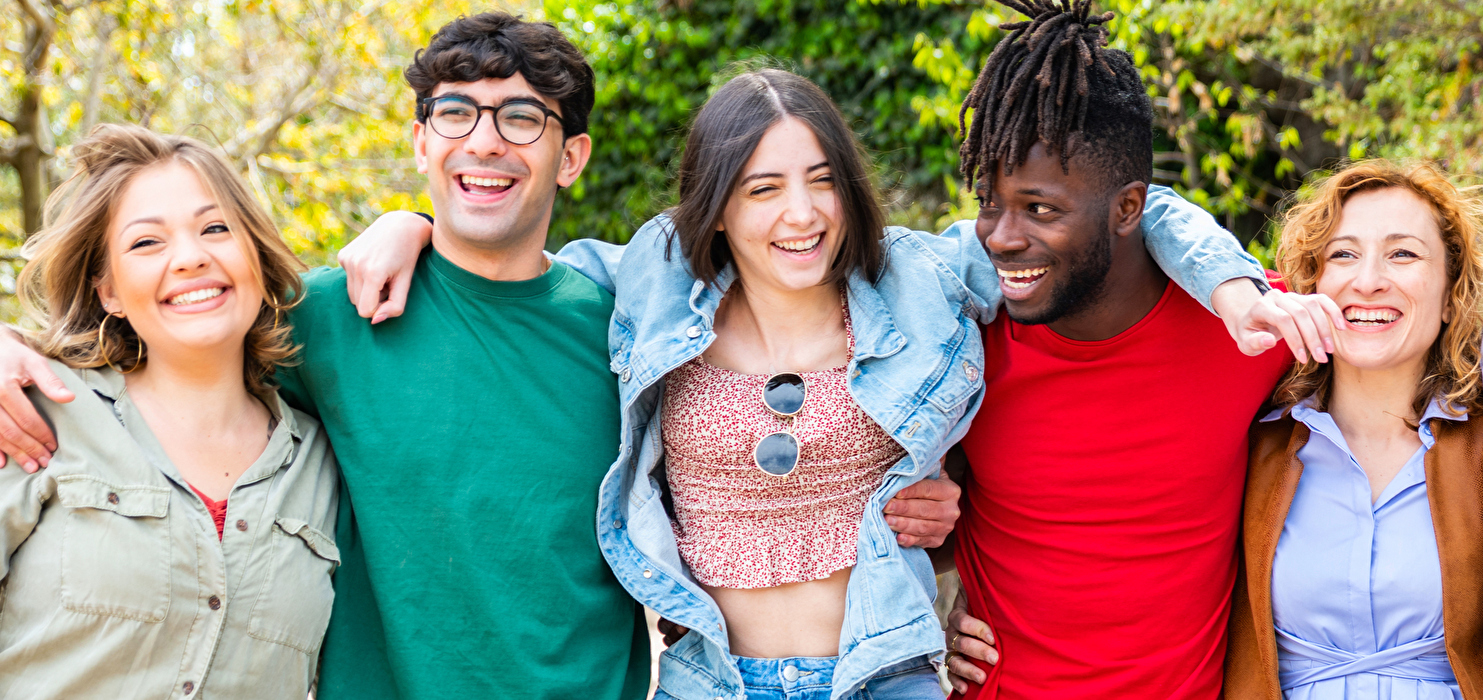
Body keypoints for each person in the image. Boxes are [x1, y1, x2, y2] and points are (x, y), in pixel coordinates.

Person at [0, 14, 959, 700]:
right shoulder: (339, 311)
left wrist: (923, 495)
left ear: (571, 157)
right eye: (456, 113)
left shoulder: (634, 322)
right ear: (421, 141)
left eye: (522, 118)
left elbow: (779, 389)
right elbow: (170, 341)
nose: (485, 141)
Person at [339, 62, 1279, 697]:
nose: (802, 213)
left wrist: (1234, 288)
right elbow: (507, 266)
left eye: (820, 179)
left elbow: (1130, 210)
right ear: (716, 206)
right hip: (710, 677)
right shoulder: (649, 286)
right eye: (761, 186)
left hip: (885, 673)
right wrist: (408, 225)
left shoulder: (920, 279)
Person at [937, 2, 1300, 698]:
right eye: (990, 202)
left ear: (1130, 207)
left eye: (1040, 209)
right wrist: (926, 611)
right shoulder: (960, 345)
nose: (1002, 236)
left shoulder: (1250, 328)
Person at [0, 124, 337, 699]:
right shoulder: (33, 415)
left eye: (215, 228)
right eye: (146, 243)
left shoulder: (325, 466)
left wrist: (413, 227)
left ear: (255, 253)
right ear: (108, 291)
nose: (190, 258)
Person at [1220, 160, 1483, 700]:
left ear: (1451, 295)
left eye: (1403, 254)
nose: (1369, 280)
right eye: (1343, 254)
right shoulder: (1250, 442)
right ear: (1312, 285)